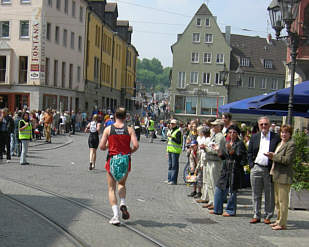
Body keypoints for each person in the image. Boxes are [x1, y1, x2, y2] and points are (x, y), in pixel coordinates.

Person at [99, 108, 139, 225]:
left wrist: (108, 146)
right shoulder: (129, 129)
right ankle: (122, 202)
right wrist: (128, 152)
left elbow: (101, 147)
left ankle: (115, 216)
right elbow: (136, 145)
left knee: (111, 188)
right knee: (121, 184)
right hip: (125, 160)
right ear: (126, 117)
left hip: (112, 159)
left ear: (115, 116)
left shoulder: (108, 129)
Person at [248, 116, 281, 224]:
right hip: (256, 167)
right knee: (256, 193)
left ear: (269, 125)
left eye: (265, 124)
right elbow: (249, 153)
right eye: (261, 124)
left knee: (269, 194)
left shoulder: (276, 137)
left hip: (269, 169)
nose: (263, 126)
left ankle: (268, 215)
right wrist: (251, 165)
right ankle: (256, 215)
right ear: (258, 125)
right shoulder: (254, 137)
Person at [209, 125, 247, 216]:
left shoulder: (240, 143)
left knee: (232, 190)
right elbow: (224, 157)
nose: (232, 134)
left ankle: (230, 210)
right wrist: (218, 151)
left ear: (237, 134)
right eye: (230, 132)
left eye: (234, 132)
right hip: (226, 168)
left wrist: (231, 150)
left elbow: (240, 157)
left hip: (235, 169)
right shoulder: (227, 142)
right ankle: (217, 209)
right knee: (218, 188)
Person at [264, 125, 296, 230]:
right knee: (277, 201)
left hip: (284, 176)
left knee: (283, 201)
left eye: (286, 132)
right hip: (276, 174)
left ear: (290, 134)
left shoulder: (291, 144)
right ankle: (278, 220)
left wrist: (274, 156)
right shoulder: (280, 143)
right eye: (282, 132)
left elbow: (287, 160)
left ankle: (282, 224)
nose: (283, 134)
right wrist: (272, 155)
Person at [203, 119, 226, 210]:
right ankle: (211, 201)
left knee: (214, 183)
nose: (213, 127)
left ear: (220, 127)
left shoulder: (220, 137)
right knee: (209, 183)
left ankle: (216, 203)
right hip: (210, 160)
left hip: (215, 162)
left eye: (215, 126)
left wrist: (205, 148)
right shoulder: (215, 135)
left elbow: (216, 150)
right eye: (212, 126)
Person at [166, 119, 182, 185]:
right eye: (171, 123)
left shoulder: (178, 131)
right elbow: (169, 142)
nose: (171, 125)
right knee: (170, 165)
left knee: (174, 166)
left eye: (173, 124)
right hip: (170, 150)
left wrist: (172, 137)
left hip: (175, 151)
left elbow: (178, 142)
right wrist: (167, 151)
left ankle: (174, 180)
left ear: (176, 124)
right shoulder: (171, 130)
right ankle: (169, 179)